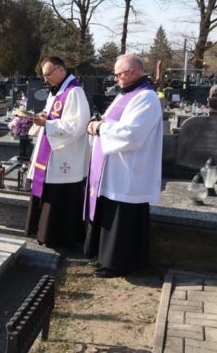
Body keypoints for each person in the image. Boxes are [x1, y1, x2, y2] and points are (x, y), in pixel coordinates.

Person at [85, 54, 162, 278]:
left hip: (129, 170)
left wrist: (100, 128)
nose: (116, 78)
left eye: (119, 74)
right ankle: (105, 259)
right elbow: (112, 123)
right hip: (113, 168)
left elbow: (133, 134)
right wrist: (98, 125)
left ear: (133, 73)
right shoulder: (125, 95)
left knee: (123, 219)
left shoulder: (146, 97)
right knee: (111, 214)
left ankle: (119, 264)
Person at [24, 56, 90, 248]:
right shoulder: (58, 91)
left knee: (58, 195)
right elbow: (52, 114)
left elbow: (76, 125)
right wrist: (44, 117)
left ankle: (58, 238)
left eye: (47, 75)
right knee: (46, 191)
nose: (45, 79)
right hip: (50, 150)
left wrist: (49, 123)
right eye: (43, 75)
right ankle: (42, 233)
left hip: (64, 154)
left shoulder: (74, 92)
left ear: (60, 70)